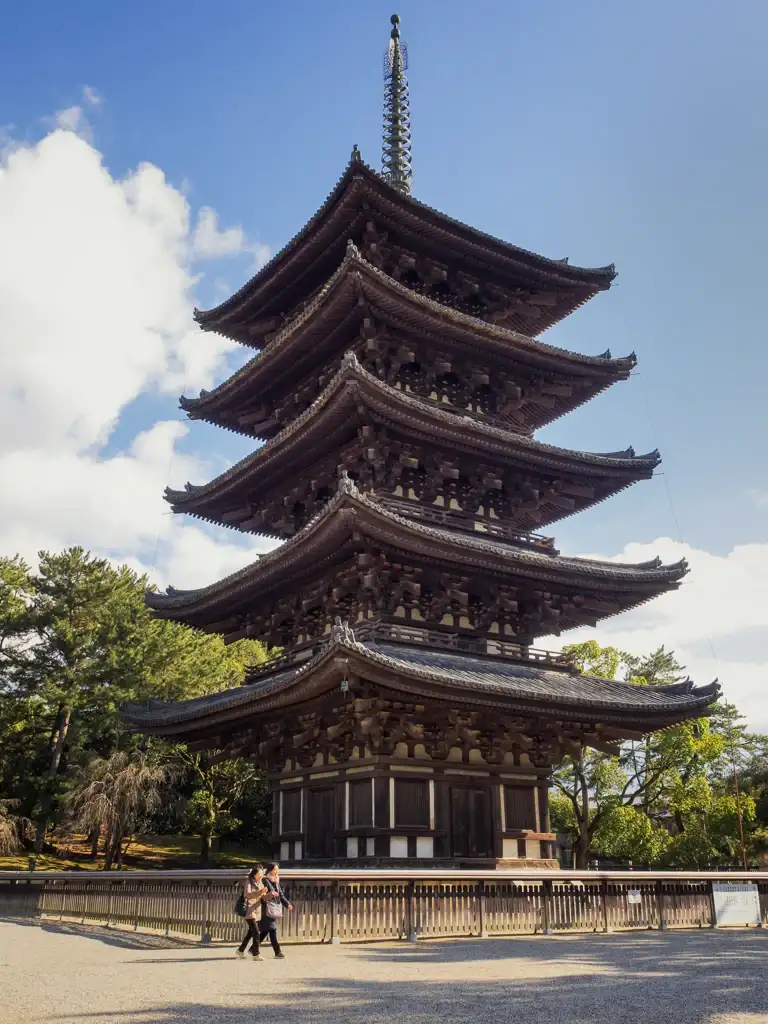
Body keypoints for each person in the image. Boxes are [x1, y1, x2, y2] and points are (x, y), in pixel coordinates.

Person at [258, 862, 293, 959]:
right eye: (274, 869)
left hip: (274, 908)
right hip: (266, 909)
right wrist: (270, 895)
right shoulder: (265, 881)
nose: (276, 871)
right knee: (272, 929)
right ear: (269, 870)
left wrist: (287, 904)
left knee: (265, 931)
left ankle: (253, 948)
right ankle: (277, 952)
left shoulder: (276, 882)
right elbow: (262, 896)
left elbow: (281, 895)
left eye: (277, 869)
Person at [236, 865, 268, 960]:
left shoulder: (260, 882)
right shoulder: (249, 882)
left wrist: (268, 895)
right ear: (255, 874)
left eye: (262, 873)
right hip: (249, 910)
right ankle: (256, 954)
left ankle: (240, 950)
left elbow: (262, 896)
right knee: (256, 932)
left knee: (250, 932)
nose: (262, 874)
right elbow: (247, 895)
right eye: (260, 873)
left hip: (257, 909)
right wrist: (260, 892)